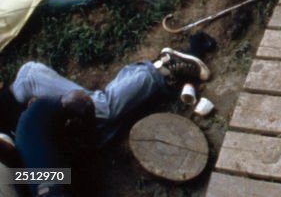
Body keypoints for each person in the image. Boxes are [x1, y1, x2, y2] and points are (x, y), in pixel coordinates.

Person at [3, 48, 210, 145]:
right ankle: (147, 74)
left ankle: (161, 69)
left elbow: (23, 173)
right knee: (101, 133)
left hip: (25, 93)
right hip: (31, 130)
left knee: (100, 109)